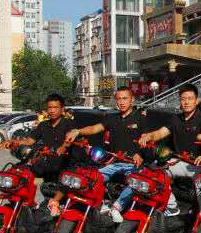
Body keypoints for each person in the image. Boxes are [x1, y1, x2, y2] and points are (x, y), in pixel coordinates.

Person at [60, 86, 148, 222]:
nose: (122, 102)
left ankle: (117, 207)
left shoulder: (141, 118)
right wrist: (78, 131)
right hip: (115, 163)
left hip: (133, 164)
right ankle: (99, 204)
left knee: (137, 182)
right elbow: (94, 128)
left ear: (132, 99)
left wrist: (139, 153)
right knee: (93, 178)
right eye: (118, 99)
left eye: (125, 98)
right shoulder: (111, 118)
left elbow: (149, 138)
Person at [137, 83, 201, 220]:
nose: (187, 102)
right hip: (178, 162)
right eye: (183, 98)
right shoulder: (175, 119)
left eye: (190, 98)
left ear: (196, 100)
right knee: (152, 172)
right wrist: (149, 136)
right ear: (180, 100)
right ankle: (171, 206)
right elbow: (160, 133)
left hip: (196, 164)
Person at [0, 94, 74, 212]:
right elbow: (29, 141)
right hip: (47, 164)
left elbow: (69, 141)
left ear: (62, 109)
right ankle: (27, 203)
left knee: (61, 201)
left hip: (64, 166)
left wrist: (63, 147)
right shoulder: (43, 125)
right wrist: (13, 142)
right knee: (21, 171)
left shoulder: (69, 125)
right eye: (49, 107)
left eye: (55, 107)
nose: (52, 110)